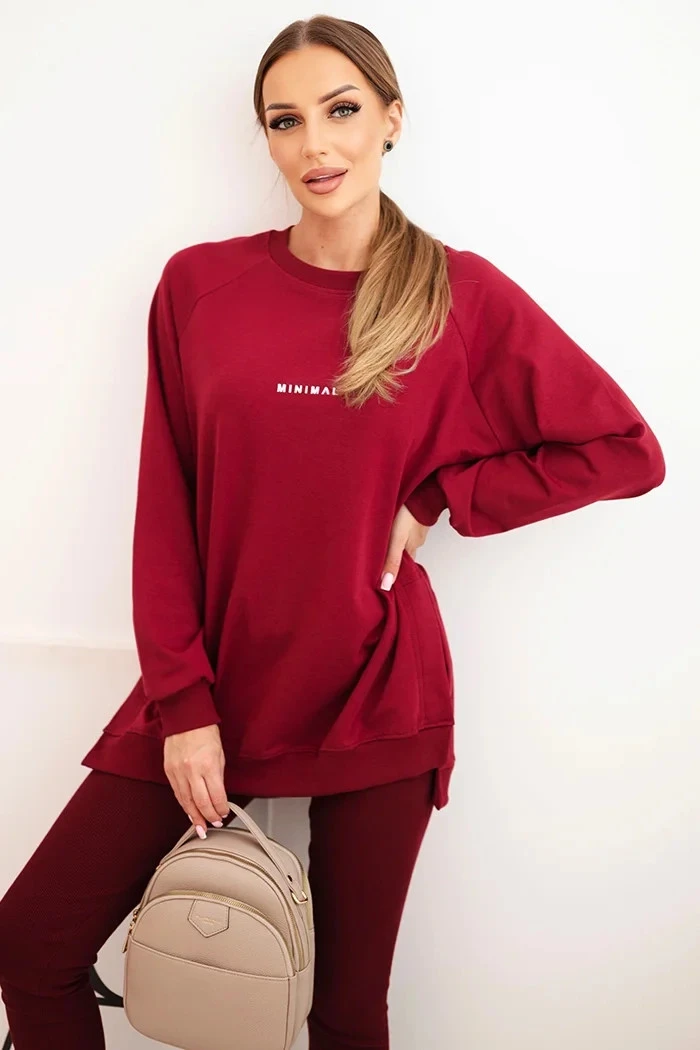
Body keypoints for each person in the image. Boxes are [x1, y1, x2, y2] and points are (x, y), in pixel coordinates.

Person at [0, 14, 665, 1050]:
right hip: (212, 682)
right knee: (31, 942)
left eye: (342, 110)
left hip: (376, 689)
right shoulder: (200, 286)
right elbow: (165, 505)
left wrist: (439, 498)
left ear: (392, 119)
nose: (315, 144)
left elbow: (625, 449)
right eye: (285, 120)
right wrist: (184, 704)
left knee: (346, 1014)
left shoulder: (460, 296)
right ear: (264, 137)